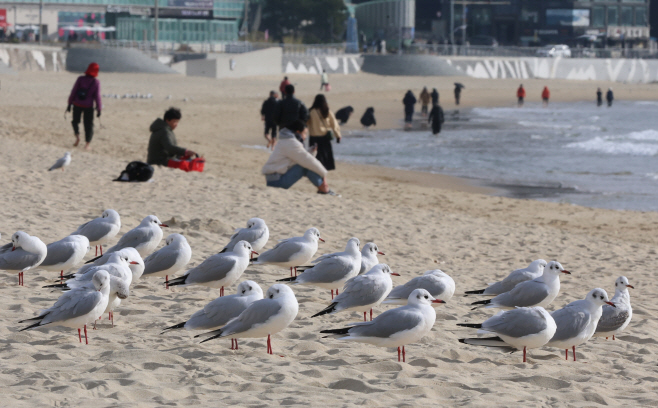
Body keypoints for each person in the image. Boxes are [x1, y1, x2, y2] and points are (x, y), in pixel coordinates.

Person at [262, 120, 336, 195]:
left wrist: (311, 151)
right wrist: (324, 174)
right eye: (305, 133)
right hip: (276, 181)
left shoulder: (287, 141)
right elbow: (307, 161)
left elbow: (299, 157)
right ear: (298, 132)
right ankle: (324, 189)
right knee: (305, 166)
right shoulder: (290, 142)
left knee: (306, 164)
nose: (306, 136)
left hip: (274, 179)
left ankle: (323, 189)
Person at [67, 62, 102, 150]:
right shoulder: (96, 82)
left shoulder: (80, 79)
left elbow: (73, 91)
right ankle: (87, 145)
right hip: (88, 106)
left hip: (77, 104)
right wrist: (99, 109)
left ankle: (77, 136)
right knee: (88, 125)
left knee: (75, 121)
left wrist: (69, 103)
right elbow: (97, 97)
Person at [307, 94, 342, 171]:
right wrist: (338, 135)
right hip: (325, 138)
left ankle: (317, 173)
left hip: (314, 138)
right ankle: (323, 174)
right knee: (325, 158)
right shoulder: (327, 111)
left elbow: (306, 124)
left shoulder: (311, 111)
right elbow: (334, 124)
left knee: (315, 158)